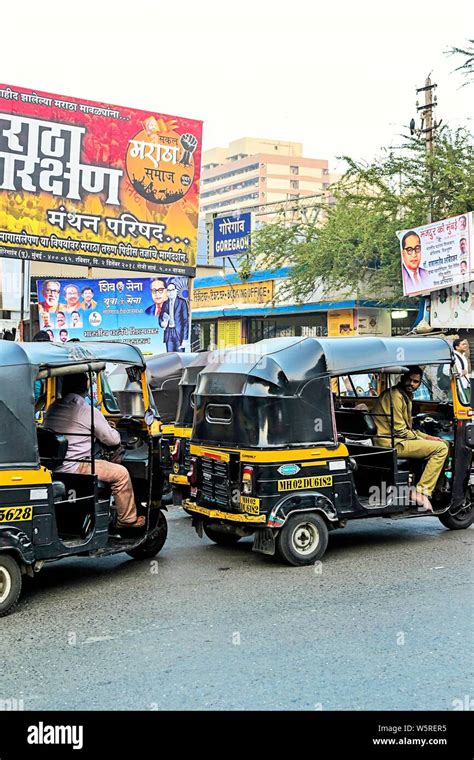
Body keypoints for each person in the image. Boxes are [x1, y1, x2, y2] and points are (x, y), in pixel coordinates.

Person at [44, 373, 144, 529]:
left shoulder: (53, 407)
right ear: (85, 388)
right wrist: (111, 430)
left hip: (54, 464)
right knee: (121, 474)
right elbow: (113, 440)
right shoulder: (86, 411)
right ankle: (127, 520)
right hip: (75, 466)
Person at [372, 366, 449, 512]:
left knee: (442, 443)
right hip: (391, 442)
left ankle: (435, 489)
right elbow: (400, 430)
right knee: (441, 449)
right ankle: (421, 491)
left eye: (416, 382)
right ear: (402, 378)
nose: (412, 384)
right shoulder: (395, 395)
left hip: (397, 439)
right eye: (410, 380)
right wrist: (424, 439)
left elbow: (408, 429)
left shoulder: (405, 395)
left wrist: (428, 437)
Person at [159, 281, 189, 352]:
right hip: (169, 332)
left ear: (175, 291)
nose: (170, 292)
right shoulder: (165, 304)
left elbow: (185, 321)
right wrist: (162, 323)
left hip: (179, 333)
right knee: (170, 357)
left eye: (172, 290)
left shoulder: (182, 302)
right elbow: (160, 316)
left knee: (180, 357)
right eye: (169, 290)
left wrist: (185, 339)